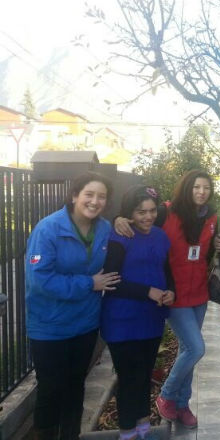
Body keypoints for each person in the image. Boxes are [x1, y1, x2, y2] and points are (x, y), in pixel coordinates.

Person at [115, 170, 218, 429]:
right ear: (187, 188)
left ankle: (182, 405)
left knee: (189, 352)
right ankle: (167, 396)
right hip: (173, 293)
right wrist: (117, 218)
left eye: (206, 187)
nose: (201, 192)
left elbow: (207, 251)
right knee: (195, 348)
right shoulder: (165, 212)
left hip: (199, 294)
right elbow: (139, 219)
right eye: (196, 187)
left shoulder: (212, 216)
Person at [25, 172, 120, 440]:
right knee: (50, 389)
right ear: (75, 195)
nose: (95, 201)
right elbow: (40, 279)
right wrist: (89, 284)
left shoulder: (103, 228)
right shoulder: (48, 229)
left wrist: (122, 220)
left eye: (101, 196)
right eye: (89, 194)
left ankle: (70, 435)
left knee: (76, 386)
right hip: (50, 326)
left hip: (85, 324)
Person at [102, 185, 175, 440]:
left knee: (144, 375)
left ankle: (144, 427)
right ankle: (126, 432)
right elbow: (112, 282)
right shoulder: (120, 236)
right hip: (122, 320)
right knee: (129, 378)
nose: (147, 216)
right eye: (140, 211)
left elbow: (167, 272)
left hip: (152, 318)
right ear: (129, 213)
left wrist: (170, 292)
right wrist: (148, 292)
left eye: (152, 211)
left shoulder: (160, 236)